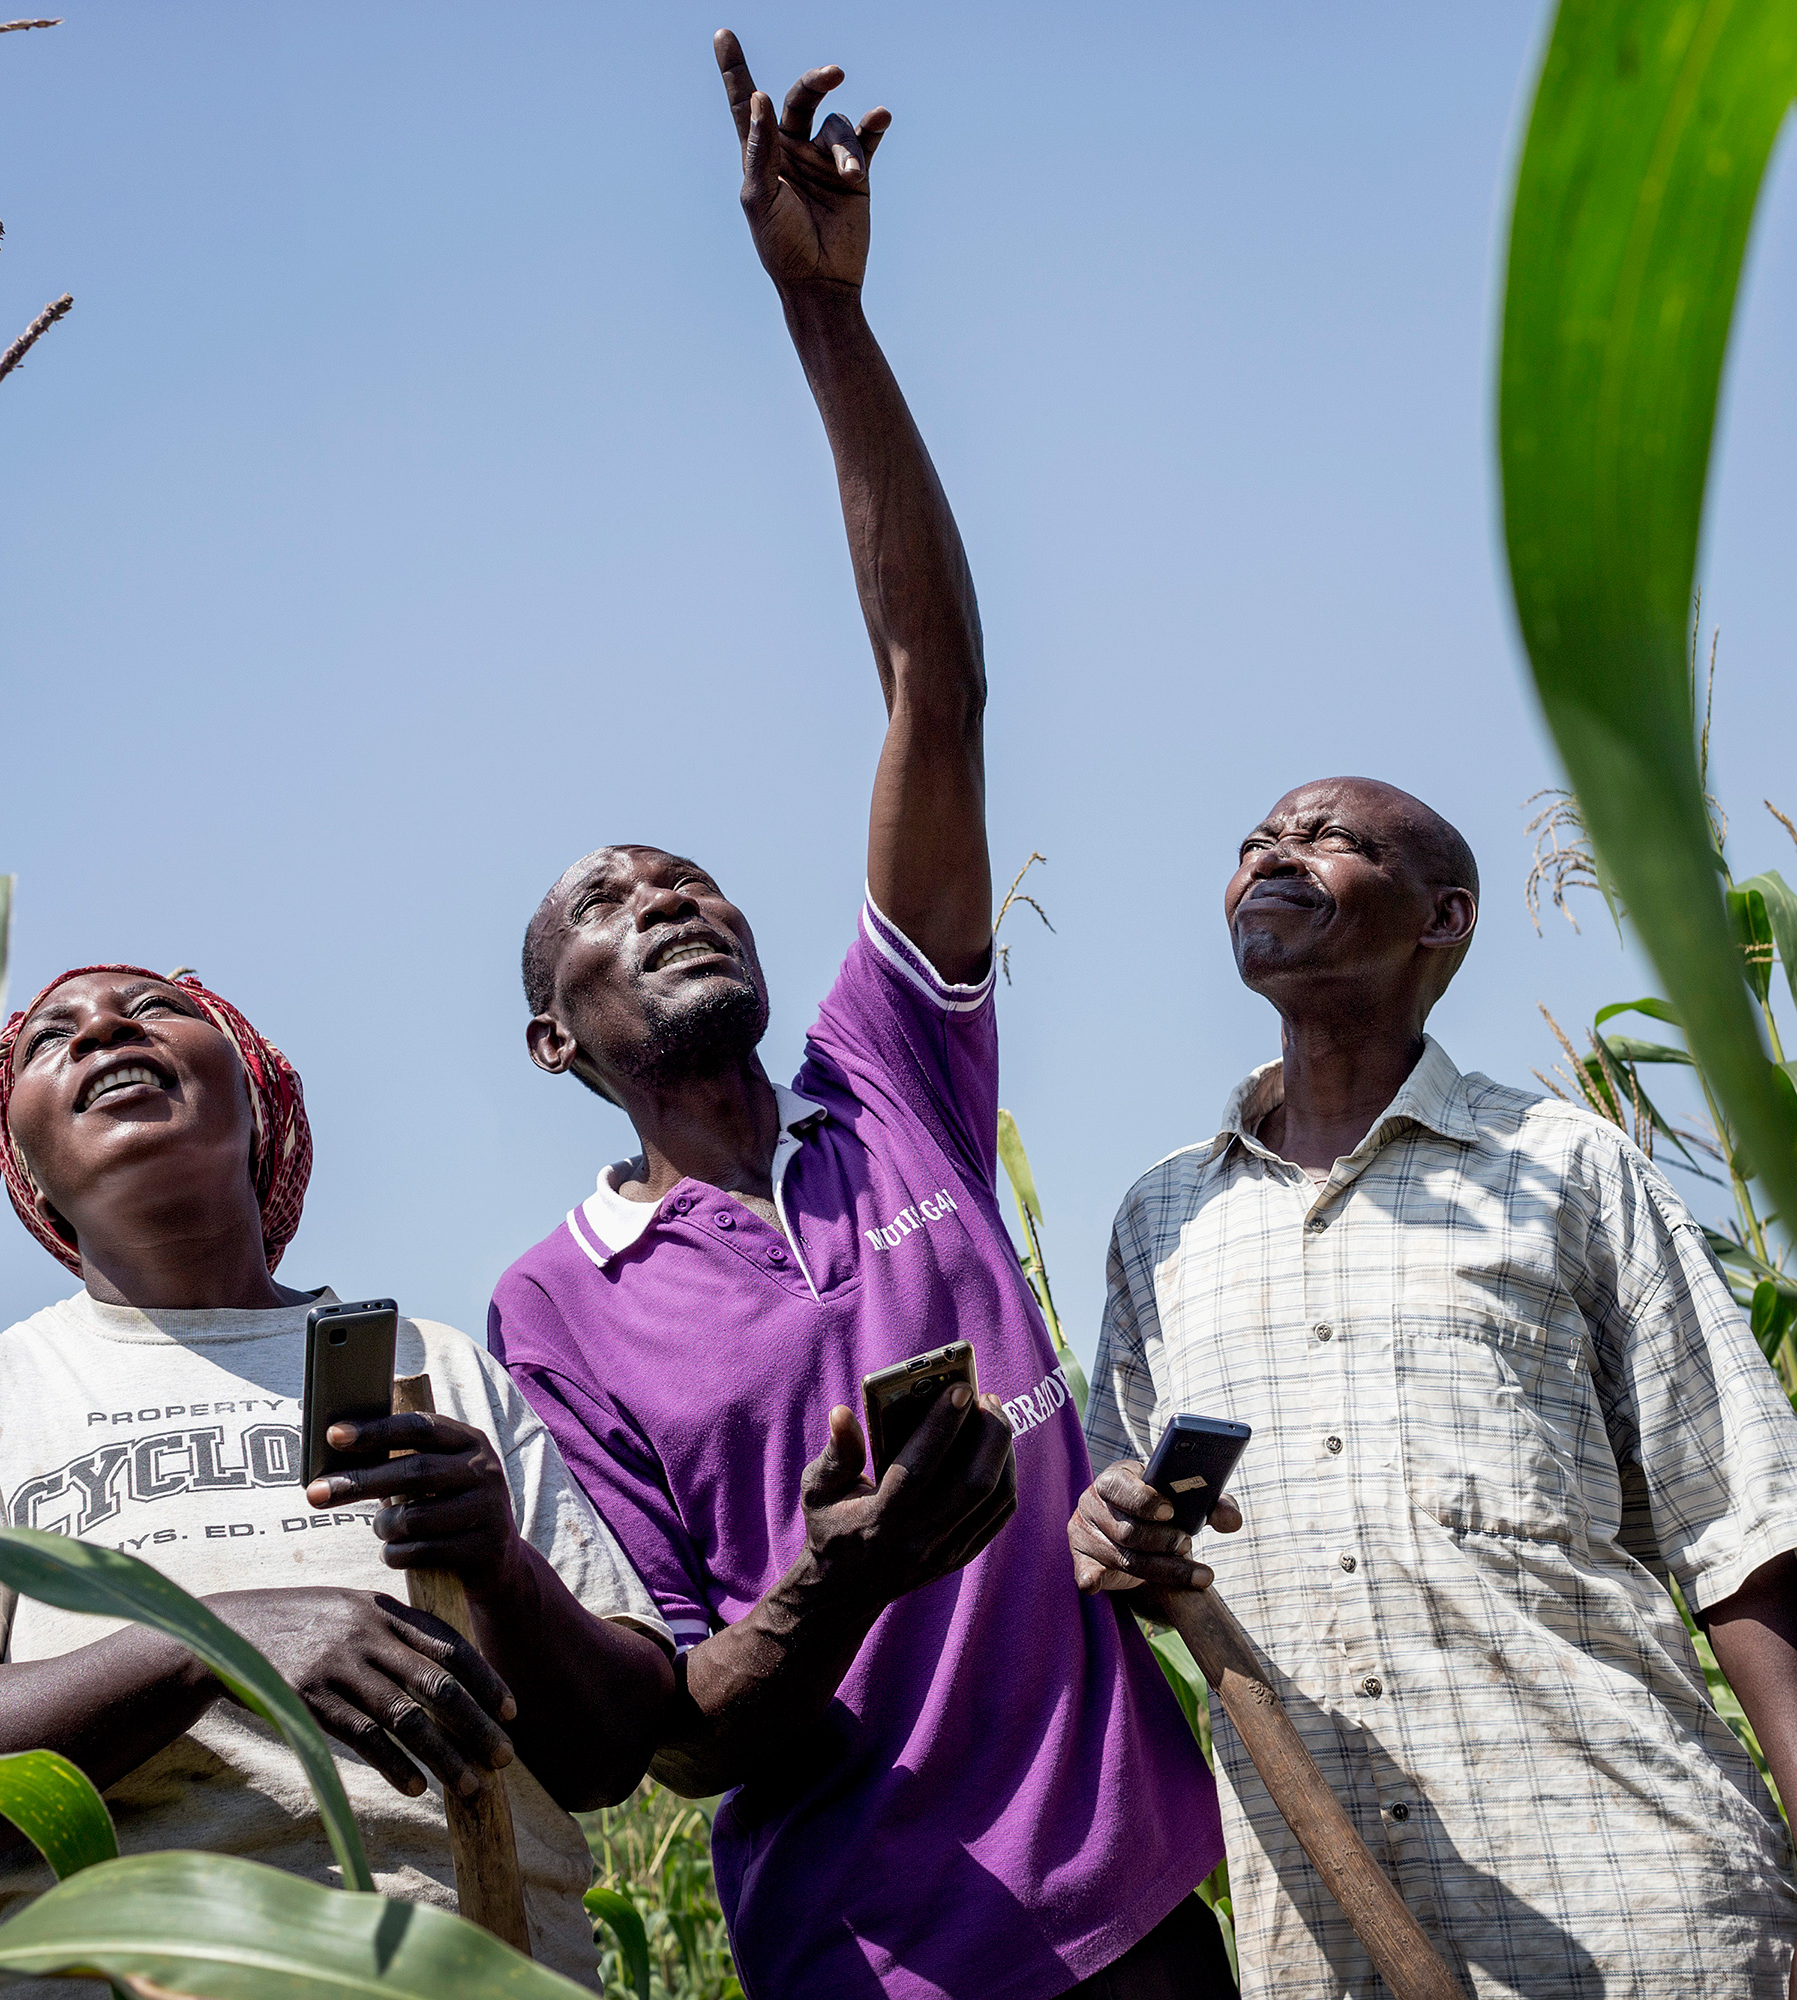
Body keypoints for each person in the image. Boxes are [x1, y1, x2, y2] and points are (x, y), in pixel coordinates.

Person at [485, 35, 1226, 2000]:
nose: (668, 900)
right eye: (606, 911)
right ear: (554, 1041)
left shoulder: (891, 1083)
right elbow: (680, 1724)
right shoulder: (552, 1306)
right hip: (877, 1953)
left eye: (691, 879)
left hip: (1148, 1908)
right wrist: (850, 1568)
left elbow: (934, 683)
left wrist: (825, 319)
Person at [1069, 777, 1797, 2000]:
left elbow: (1744, 1534)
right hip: (1338, 1932)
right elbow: (1140, 1550)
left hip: (1639, 1900)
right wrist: (1114, 1533)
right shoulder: (1163, 1216)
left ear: (1442, 918)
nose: (1276, 855)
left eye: (1330, 838)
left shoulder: (1564, 1166)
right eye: (1257, 841)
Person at [0, 962, 676, 1984]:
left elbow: (614, 1750)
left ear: (257, 1092)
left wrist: (503, 1568)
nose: (103, 1028)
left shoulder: (433, 1360)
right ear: (26, 1164)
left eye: (154, 1009)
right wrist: (213, 1642)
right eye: (50, 1037)